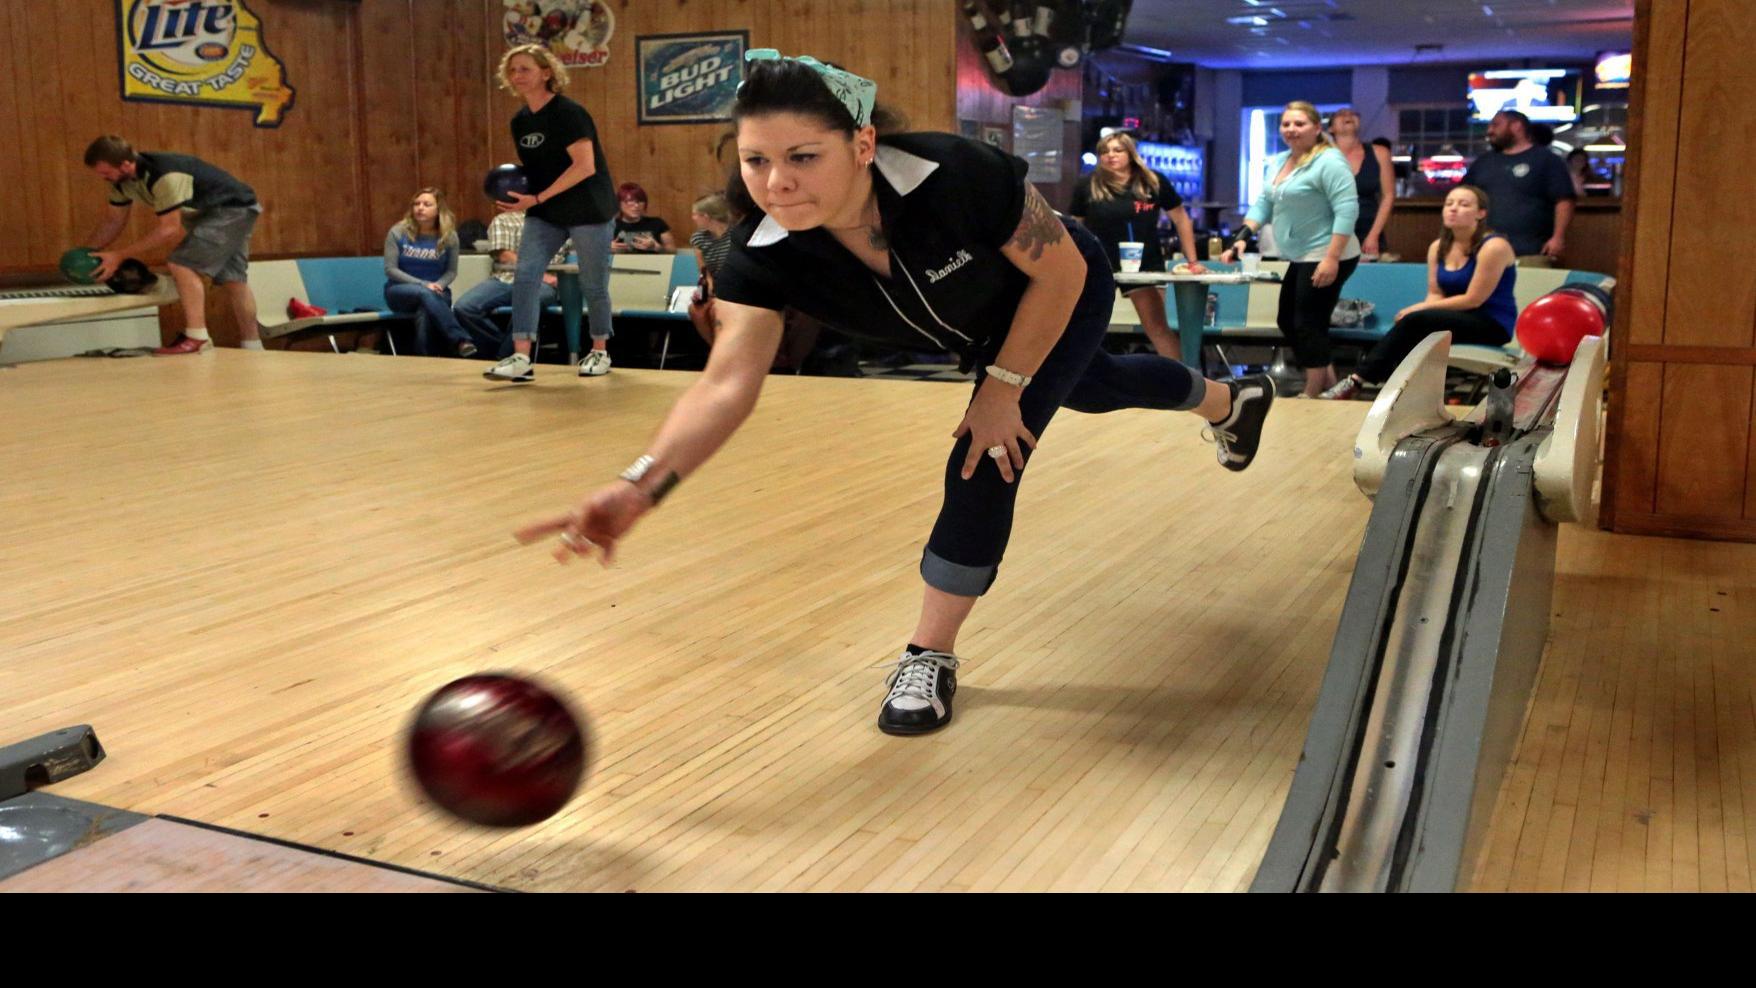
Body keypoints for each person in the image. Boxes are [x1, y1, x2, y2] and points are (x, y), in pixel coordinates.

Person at [515, 50, 1278, 737]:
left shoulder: (956, 174)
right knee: (1096, 384)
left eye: (803, 157)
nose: (777, 182)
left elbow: (1062, 274)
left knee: (987, 452)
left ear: (862, 143)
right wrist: (639, 486)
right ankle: (1228, 402)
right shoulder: (760, 253)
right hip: (974, 330)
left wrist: (1002, 389)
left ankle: (930, 654)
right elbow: (725, 387)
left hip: (1061, 285)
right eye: (755, 161)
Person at [483, 43, 618, 383]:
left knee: (593, 283)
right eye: (512, 70)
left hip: (589, 207)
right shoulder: (520, 121)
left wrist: (538, 197)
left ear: (546, 73)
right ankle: (520, 357)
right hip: (546, 210)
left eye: (525, 69)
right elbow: (536, 170)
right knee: (526, 275)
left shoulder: (569, 113)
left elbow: (584, 167)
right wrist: (524, 197)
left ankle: (599, 349)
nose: (517, 76)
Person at [1320, 185, 1516, 400]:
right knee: (1414, 326)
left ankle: (1357, 381)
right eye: (1449, 203)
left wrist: (1419, 310)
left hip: (1491, 323)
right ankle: (1404, 396)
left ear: (1481, 213)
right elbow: (1435, 293)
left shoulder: (1494, 246)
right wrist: (1422, 313)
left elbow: (1473, 300)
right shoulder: (1438, 247)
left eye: (1463, 204)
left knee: (1415, 320)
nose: (1453, 209)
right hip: (1458, 318)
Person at [1223, 101, 1360, 397]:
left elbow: (1347, 210)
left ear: (1317, 128)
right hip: (1300, 255)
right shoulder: (1280, 161)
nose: (1291, 130)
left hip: (1328, 252)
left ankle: (1312, 392)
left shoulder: (1330, 161)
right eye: (1286, 124)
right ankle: (1331, 385)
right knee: (1288, 320)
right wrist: (1244, 235)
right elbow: (1265, 202)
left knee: (1307, 322)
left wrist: (1331, 258)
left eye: (1299, 124)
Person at [81, 136, 264, 354]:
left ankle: (198, 338)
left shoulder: (164, 175)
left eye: (105, 172)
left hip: (230, 209)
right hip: (211, 213)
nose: (103, 178)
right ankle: (254, 347)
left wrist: (119, 255)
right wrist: (86, 252)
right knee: (234, 280)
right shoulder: (121, 184)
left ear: (125, 165)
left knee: (181, 264)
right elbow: (114, 221)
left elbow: (169, 229)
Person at [1067, 132, 1206, 358]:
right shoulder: (1087, 185)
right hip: (1099, 263)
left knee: (1157, 327)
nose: (1110, 155)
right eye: (1104, 151)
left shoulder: (1152, 181)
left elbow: (1181, 219)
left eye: (1117, 150)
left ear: (1130, 154)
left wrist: (1192, 262)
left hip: (1145, 262)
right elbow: (1074, 228)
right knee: (1085, 327)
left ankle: (1185, 383)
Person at [1461, 109, 1575, 261]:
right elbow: (1464, 197)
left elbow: (1564, 200)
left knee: (1533, 285)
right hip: (1484, 250)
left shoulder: (1547, 160)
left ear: (1516, 126)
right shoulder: (1483, 162)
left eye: (1495, 125)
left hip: (1532, 251)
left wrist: (1558, 238)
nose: (1489, 131)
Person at [452, 210, 569, 358]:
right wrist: (538, 274)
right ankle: (501, 349)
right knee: (464, 307)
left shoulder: (561, 222)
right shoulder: (505, 219)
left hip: (544, 284)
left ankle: (505, 357)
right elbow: (504, 255)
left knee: (528, 299)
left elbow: (580, 248)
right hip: (506, 278)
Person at [382, 187, 475, 357]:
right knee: (426, 295)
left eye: (427, 204)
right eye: (416, 204)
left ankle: (426, 359)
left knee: (425, 313)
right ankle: (460, 339)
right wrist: (424, 285)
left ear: (439, 209)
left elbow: (451, 272)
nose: (420, 208)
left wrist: (438, 285)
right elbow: (390, 270)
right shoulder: (398, 232)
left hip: (437, 291)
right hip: (400, 291)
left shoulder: (449, 236)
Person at [1328, 109, 1395, 259]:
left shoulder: (1380, 152)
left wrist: (1374, 235)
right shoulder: (1321, 154)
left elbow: (1388, 195)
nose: (1348, 116)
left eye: (1353, 114)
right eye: (1340, 115)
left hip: (1369, 228)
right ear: (1331, 128)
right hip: (1329, 230)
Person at [686, 192, 735, 347]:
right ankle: (716, 348)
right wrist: (709, 286)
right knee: (696, 311)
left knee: (716, 311)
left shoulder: (736, 234)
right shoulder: (698, 239)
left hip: (736, 286)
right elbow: (704, 271)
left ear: (706, 216)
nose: (693, 218)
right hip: (717, 286)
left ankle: (728, 350)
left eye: (695, 214)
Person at [611, 182, 677, 253]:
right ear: (619, 204)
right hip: (619, 264)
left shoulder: (657, 223)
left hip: (653, 263)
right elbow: (599, 251)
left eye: (640, 201)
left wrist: (657, 247)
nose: (636, 205)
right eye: (629, 201)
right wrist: (607, 249)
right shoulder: (610, 226)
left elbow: (673, 251)